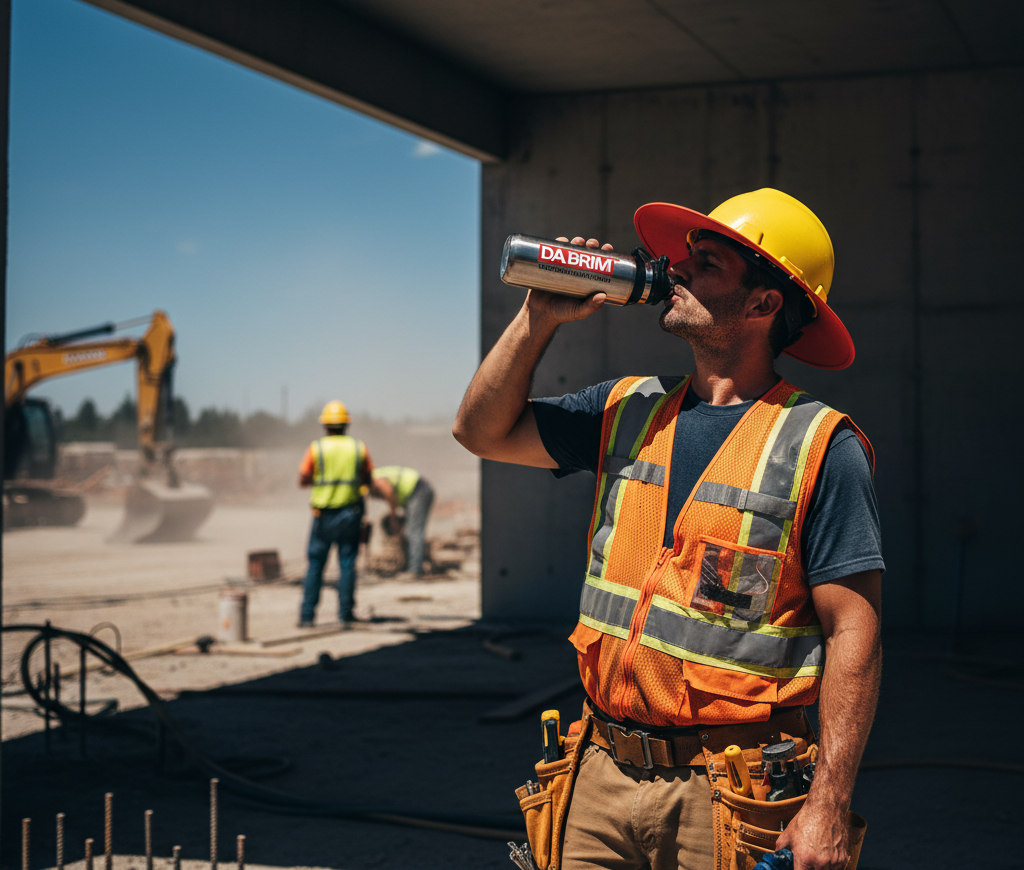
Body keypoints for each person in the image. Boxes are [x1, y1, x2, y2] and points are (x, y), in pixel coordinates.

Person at [453, 188, 883, 870]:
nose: (673, 271)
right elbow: (480, 431)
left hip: (732, 790)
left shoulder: (820, 445)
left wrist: (828, 800)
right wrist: (538, 318)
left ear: (763, 304)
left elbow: (852, 633)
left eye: (704, 263)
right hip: (596, 770)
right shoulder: (624, 408)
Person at [297, 400, 396, 627]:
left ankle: (307, 616)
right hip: (350, 514)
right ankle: (345, 614)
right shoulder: (358, 448)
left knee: (315, 565)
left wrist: (321, 481)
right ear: (346, 425)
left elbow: (302, 479)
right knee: (348, 564)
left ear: (325, 426)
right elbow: (368, 479)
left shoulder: (316, 448)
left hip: (323, 515)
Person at [369, 466, 435, 576]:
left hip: (418, 490)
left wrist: (393, 518)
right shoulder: (372, 478)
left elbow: (389, 492)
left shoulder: (374, 480)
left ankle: (415, 569)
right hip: (413, 494)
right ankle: (411, 563)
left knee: (414, 531)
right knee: (411, 531)